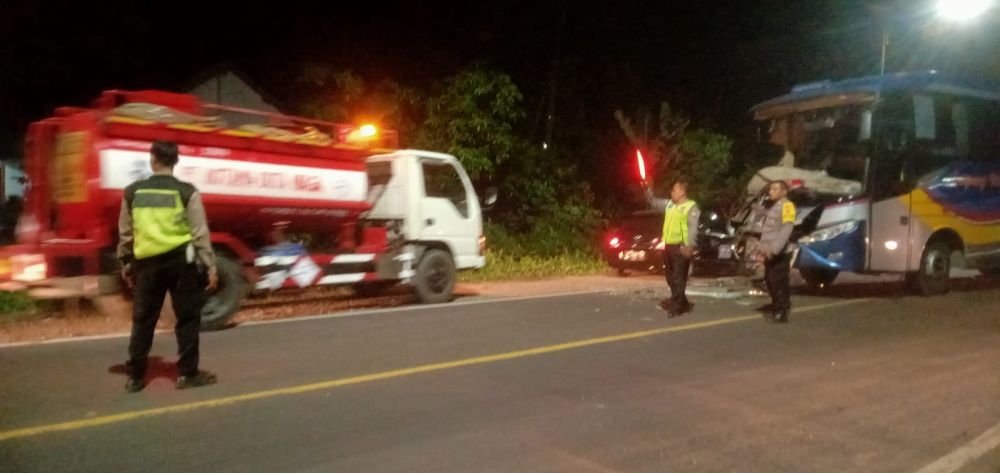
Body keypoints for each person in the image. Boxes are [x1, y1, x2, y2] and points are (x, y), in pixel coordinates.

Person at [118, 140, 219, 392]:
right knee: (187, 319)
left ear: (153, 159)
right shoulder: (187, 192)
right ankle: (187, 374)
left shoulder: (132, 192)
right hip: (180, 264)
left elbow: (126, 234)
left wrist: (126, 263)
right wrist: (210, 266)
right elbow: (199, 232)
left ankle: (135, 378)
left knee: (143, 320)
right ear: (176, 161)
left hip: (146, 265)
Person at [647, 180, 700, 317]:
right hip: (668, 245)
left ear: (682, 192)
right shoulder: (670, 205)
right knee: (670, 277)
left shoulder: (690, 207)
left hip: (681, 246)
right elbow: (653, 202)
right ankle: (683, 302)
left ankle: (676, 308)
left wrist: (689, 245)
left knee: (678, 277)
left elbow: (692, 229)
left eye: (674, 190)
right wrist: (648, 189)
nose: (672, 192)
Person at [758, 180, 796, 323]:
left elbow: (786, 229)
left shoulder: (787, 206)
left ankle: (780, 311)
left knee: (776, 280)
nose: (771, 192)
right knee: (772, 279)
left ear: (784, 192)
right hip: (771, 250)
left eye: (775, 189)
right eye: (770, 189)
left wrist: (774, 250)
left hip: (780, 251)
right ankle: (782, 305)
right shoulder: (776, 206)